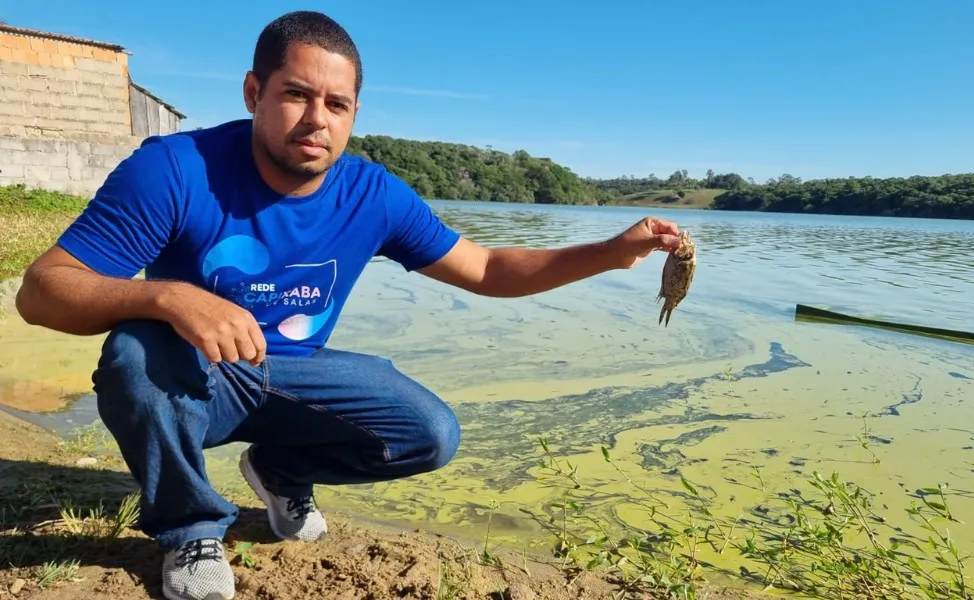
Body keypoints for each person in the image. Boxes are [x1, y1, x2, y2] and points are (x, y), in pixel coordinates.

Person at [14, 10, 682, 600]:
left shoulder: (373, 194)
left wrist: (607, 252)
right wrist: (167, 296)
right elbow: (43, 290)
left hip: (292, 377)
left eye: (337, 104)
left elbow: (484, 267)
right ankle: (190, 529)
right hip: (194, 381)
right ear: (254, 92)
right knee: (133, 354)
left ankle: (280, 471)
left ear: (355, 114)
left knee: (428, 432)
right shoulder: (174, 169)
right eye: (296, 95)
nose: (316, 120)